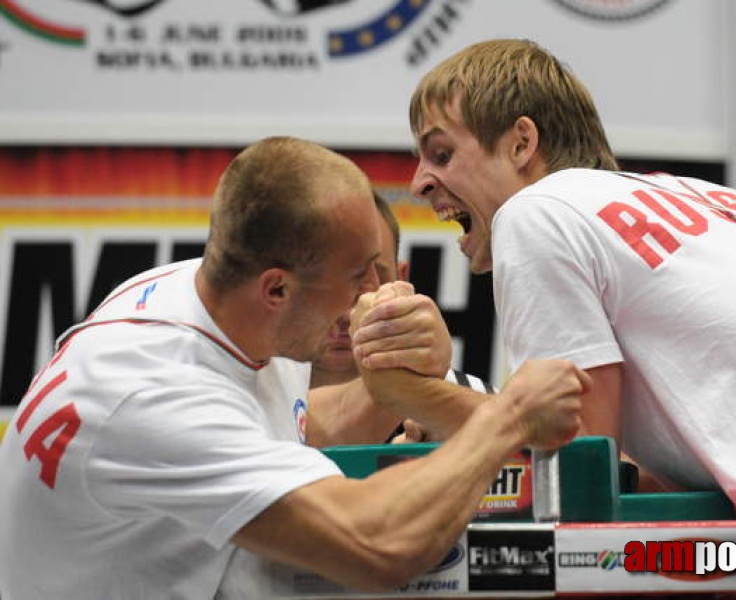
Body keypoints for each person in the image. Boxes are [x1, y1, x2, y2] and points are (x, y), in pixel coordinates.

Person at [395, 38, 736, 598]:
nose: (419, 182)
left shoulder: (535, 213)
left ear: (521, 143)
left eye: (441, 154)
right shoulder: (712, 196)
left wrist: (421, 397)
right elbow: (641, 463)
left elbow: (581, 468)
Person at [0, 135, 589, 599]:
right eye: (358, 272)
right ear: (277, 288)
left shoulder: (199, 297)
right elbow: (378, 545)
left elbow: (284, 426)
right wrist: (506, 417)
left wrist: (401, 387)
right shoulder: (157, 393)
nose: (374, 293)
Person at [310, 192, 495, 441]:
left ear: (401, 280)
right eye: (321, 281)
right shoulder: (246, 400)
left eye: (369, 280)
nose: (347, 312)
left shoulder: (478, 402)